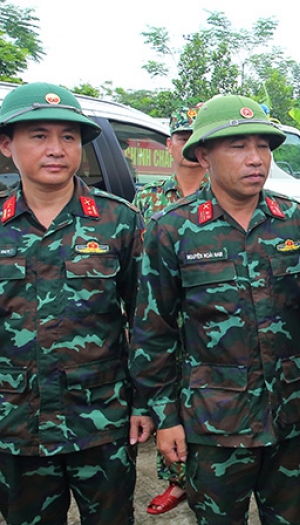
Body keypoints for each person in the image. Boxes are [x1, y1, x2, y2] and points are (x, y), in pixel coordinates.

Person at [131, 95, 300, 524]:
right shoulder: (173, 229)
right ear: (203, 154)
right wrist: (166, 417)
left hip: (293, 414)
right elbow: (153, 332)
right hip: (214, 422)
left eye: (263, 146)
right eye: (238, 146)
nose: (255, 159)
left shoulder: (296, 222)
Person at [0, 83, 143, 524]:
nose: (56, 149)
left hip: (102, 421)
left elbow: (149, 323)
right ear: (6, 144)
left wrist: (148, 404)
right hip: (14, 424)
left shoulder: (119, 222)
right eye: (39, 135)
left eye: (68, 137)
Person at [134, 104, 207, 516]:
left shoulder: (225, 188)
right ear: (169, 144)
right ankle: (177, 479)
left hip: (206, 321)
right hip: (162, 316)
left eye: (195, 137)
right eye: (181, 137)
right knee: (168, 400)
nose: (189, 145)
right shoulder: (146, 198)